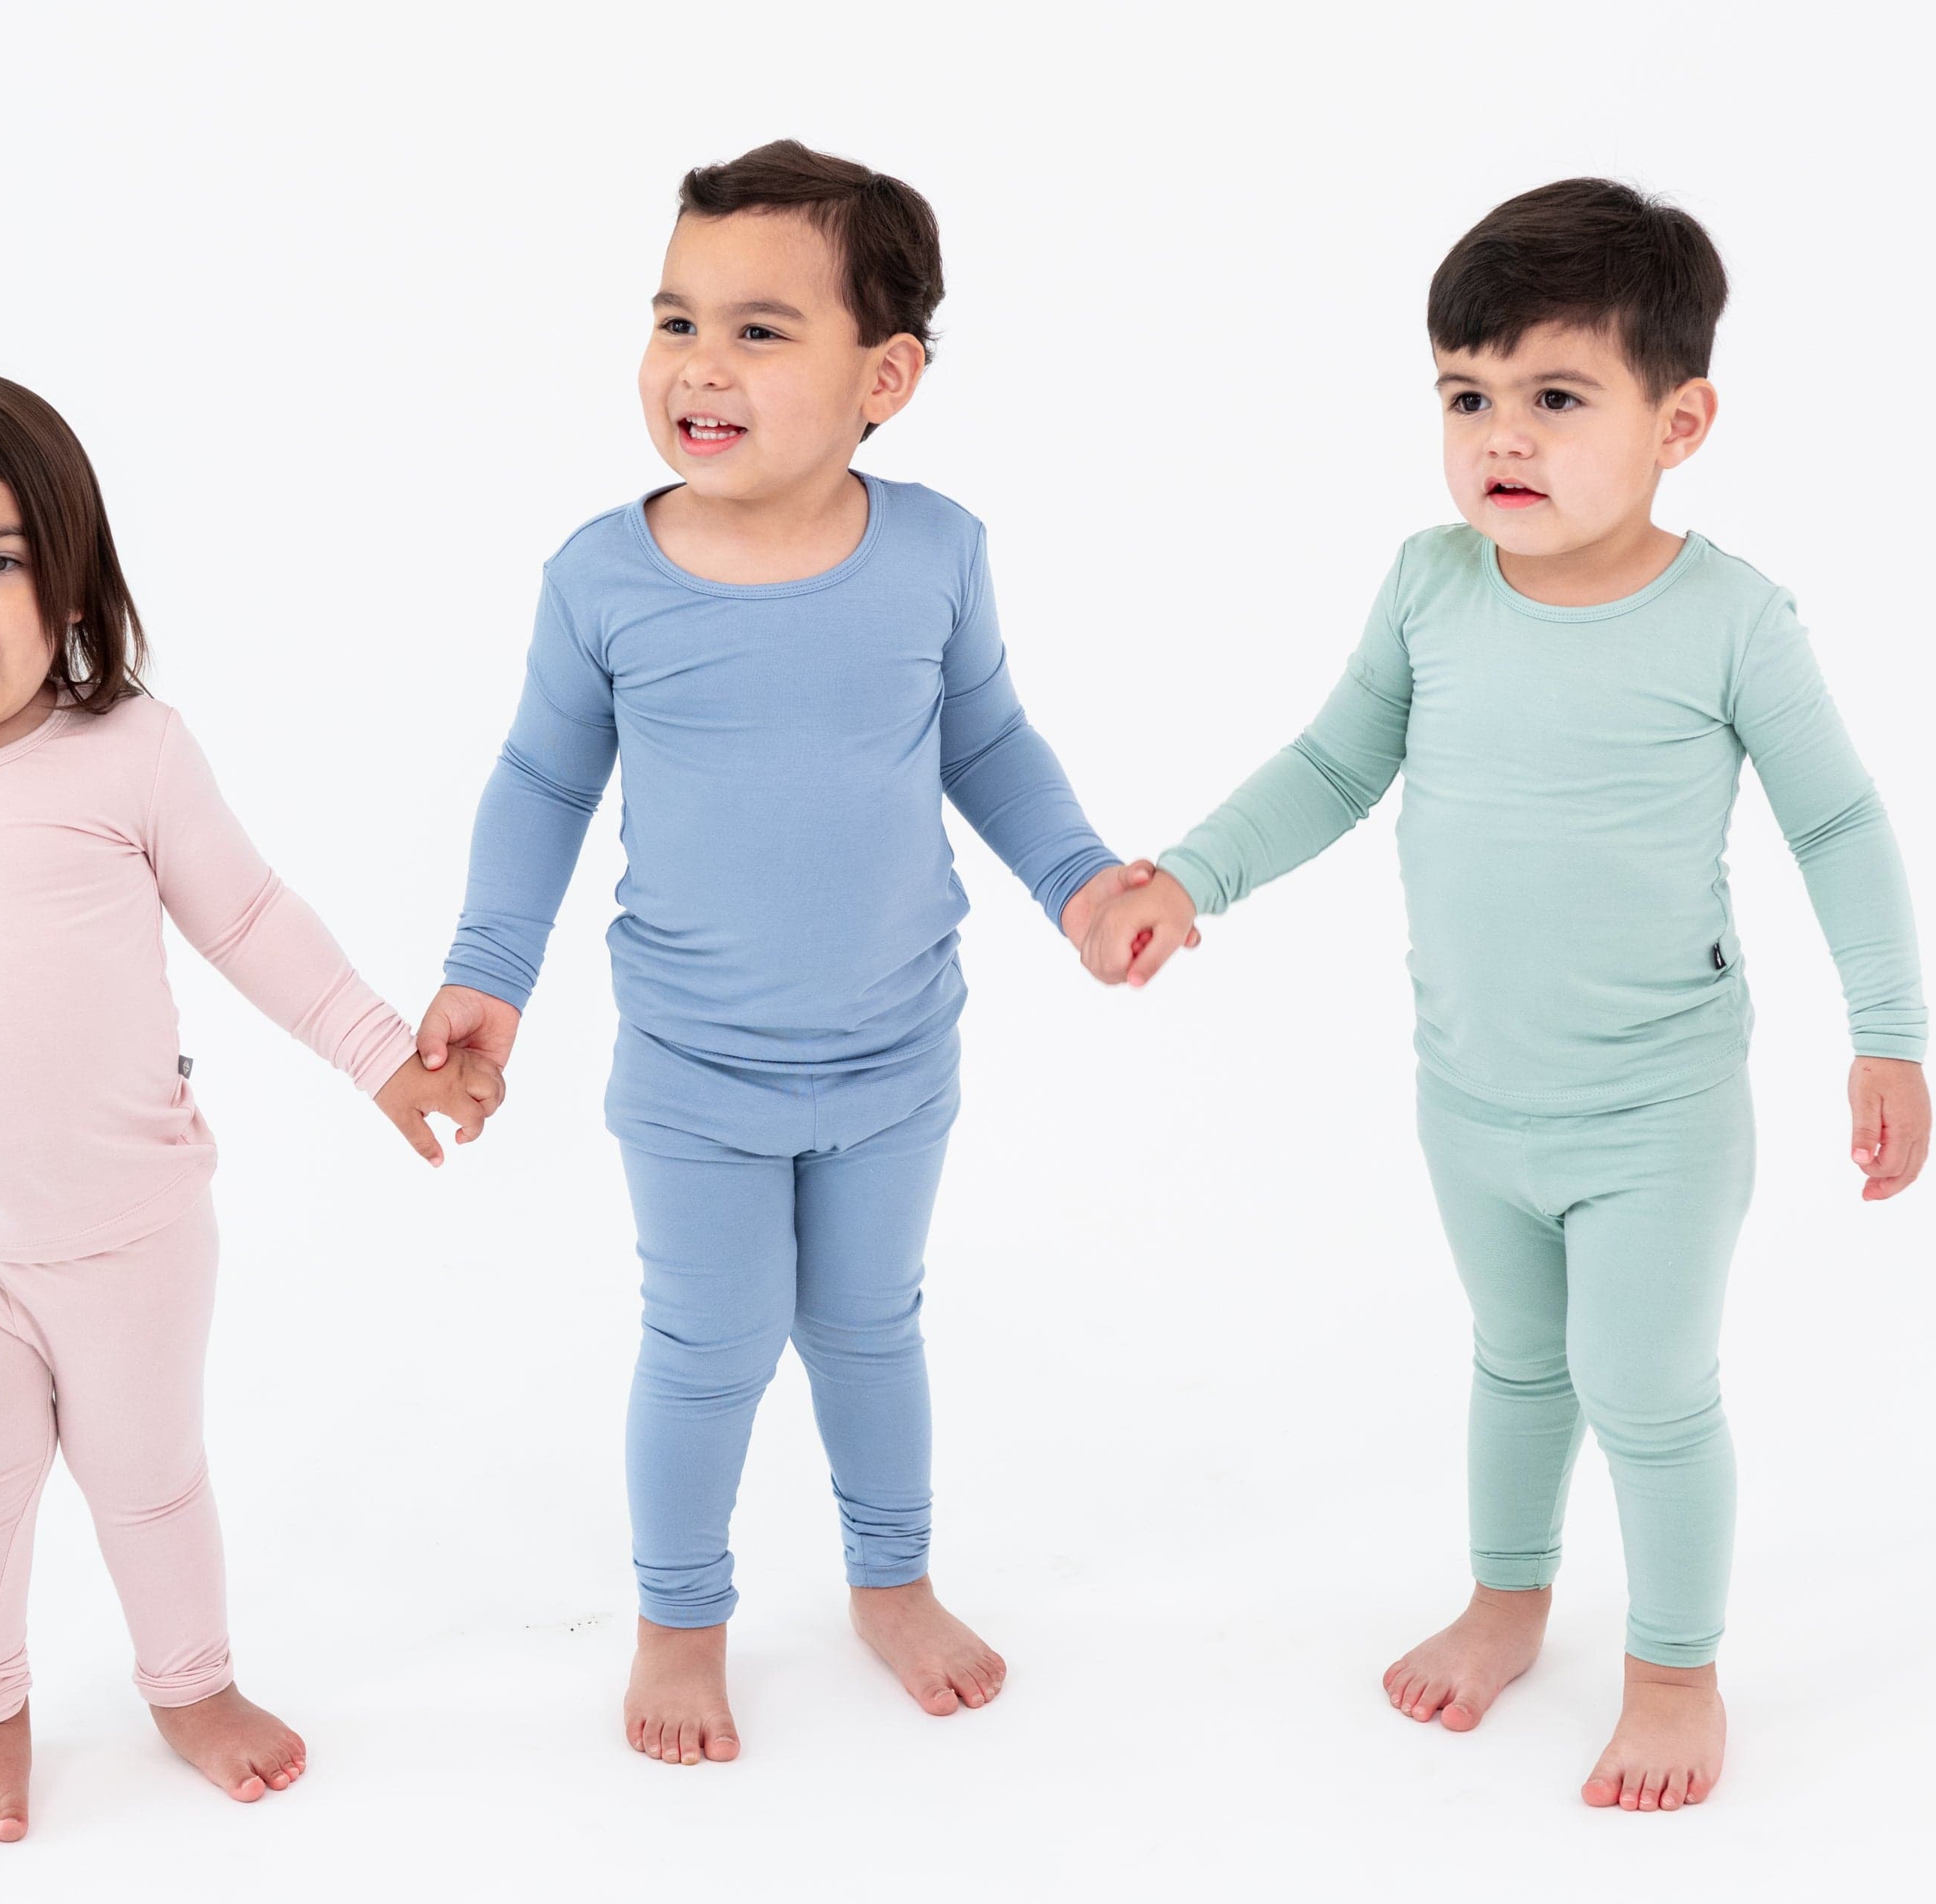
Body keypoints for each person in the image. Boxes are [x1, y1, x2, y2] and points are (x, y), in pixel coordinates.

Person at [1083, 179, 1928, 1809]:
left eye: (1556, 397)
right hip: (1471, 1096)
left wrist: (1888, 1031)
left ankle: (1677, 1673)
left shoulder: (1733, 621)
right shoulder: (1430, 586)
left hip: (1658, 1107)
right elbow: (1336, 762)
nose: (1502, 439)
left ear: (1681, 421)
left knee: (1649, 1390)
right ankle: (1507, 1597)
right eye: (1468, 396)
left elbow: (1839, 821)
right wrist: (1189, 877)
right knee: (1516, 1363)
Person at [417, 141, 1148, 1765]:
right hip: (694, 1069)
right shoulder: (603, 579)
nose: (700, 365)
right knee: (711, 1341)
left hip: (896, 1054)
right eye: (675, 319)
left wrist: (1083, 883)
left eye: (760, 329)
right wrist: (489, 969)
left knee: (873, 1323)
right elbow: (542, 783)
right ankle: (683, 1619)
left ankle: (892, 1582)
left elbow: (990, 744)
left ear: (885, 375)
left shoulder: (936, 551)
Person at [0, 370, 503, 1842]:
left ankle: (190, 1685)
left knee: (149, 1480)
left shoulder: (127, 752)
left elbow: (253, 919)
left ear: (71, 587)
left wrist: (381, 1057)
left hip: (137, 1229)